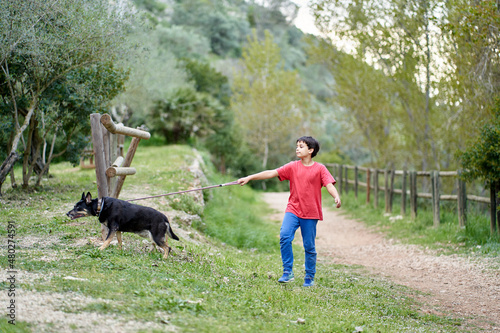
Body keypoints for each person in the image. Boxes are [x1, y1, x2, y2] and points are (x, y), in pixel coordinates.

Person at [237, 136, 341, 287]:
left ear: (310, 150)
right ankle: (287, 272)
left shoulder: (320, 169)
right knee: (285, 236)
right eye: (297, 146)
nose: (297, 149)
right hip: (293, 209)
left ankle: (309, 278)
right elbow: (272, 172)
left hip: (311, 213)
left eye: (301, 146)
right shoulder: (292, 166)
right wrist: (249, 177)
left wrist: (336, 196)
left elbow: (329, 184)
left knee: (309, 246)